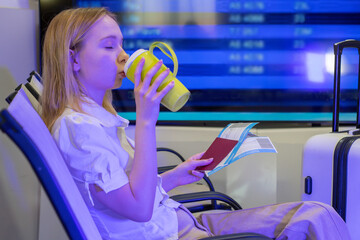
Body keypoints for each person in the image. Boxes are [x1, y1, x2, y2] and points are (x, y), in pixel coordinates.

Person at [41, 7, 351, 240]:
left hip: (183, 221)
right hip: (177, 234)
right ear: (73, 59)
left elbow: (126, 194)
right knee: (315, 218)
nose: (123, 57)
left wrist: (175, 177)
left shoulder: (99, 120)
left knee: (315, 216)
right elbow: (137, 209)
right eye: (109, 46)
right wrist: (147, 120)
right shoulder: (79, 130)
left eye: (121, 46)